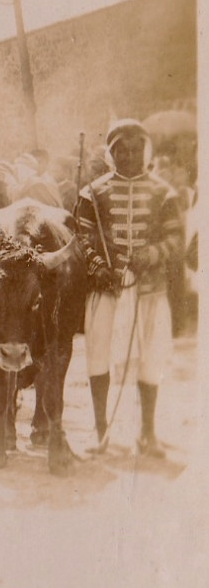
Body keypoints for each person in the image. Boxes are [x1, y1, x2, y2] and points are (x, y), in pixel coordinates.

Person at [77, 119, 185, 458]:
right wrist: (98, 267)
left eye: (135, 149)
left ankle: (148, 434)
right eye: (120, 150)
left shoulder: (162, 192)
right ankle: (100, 432)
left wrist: (152, 253)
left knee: (151, 357)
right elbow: (82, 240)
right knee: (98, 355)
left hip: (150, 289)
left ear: (146, 150)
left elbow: (177, 240)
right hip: (106, 288)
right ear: (110, 153)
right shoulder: (92, 193)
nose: (128, 155)